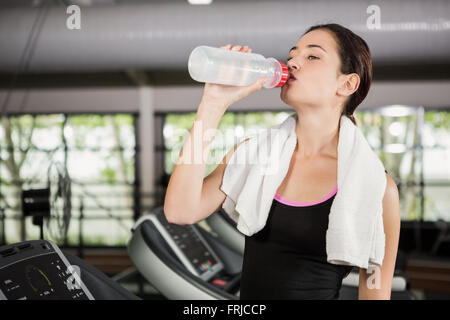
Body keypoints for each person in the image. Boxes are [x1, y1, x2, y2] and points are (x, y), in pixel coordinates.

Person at [164, 23, 401, 300]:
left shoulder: (377, 188)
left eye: (312, 56)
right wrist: (212, 105)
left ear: (347, 83)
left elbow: (375, 292)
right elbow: (179, 211)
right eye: (292, 55)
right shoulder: (253, 156)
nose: (292, 62)